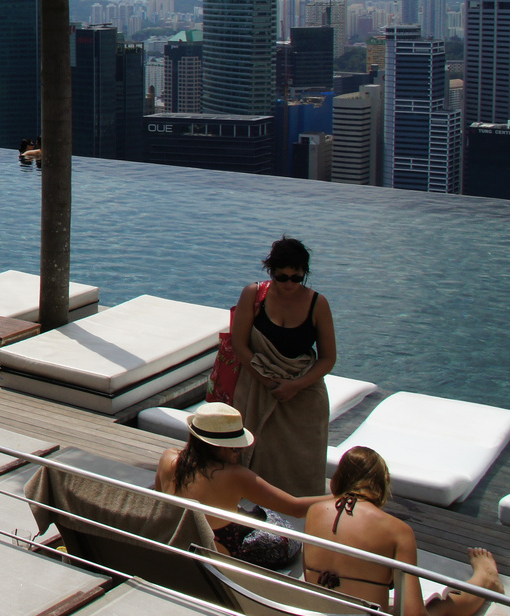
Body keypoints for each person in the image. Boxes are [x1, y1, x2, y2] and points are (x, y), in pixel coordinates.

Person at [305, 447, 500, 616]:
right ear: (384, 481)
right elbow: (412, 614)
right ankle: (484, 579)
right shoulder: (397, 531)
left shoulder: (314, 512)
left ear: (338, 479)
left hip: (311, 610)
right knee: (440, 607)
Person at [155, 402, 333, 570]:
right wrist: (344, 495)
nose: (240, 452)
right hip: (217, 547)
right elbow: (295, 508)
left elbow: (159, 502)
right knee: (282, 530)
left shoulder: (169, 458)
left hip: (177, 538)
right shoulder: (235, 476)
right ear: (217, 446)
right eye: (236, 448)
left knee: (247, 512)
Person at [231, 236, 337, 496]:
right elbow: (239, 345)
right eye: (282, 277)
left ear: (304, 273)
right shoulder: (253, 294)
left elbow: (328, 358)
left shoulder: (318, 304)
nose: (289, 283)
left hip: (303, 397)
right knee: (255, 461)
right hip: (258, 388)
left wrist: (295, 386)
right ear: (271, 271)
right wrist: (268, 381)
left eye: (296, 277)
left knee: (303, 468)